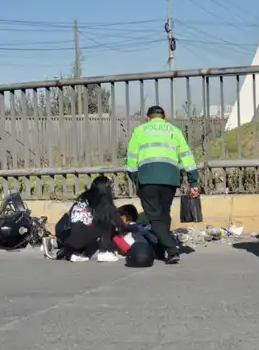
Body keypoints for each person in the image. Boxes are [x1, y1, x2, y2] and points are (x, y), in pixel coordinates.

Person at [126, 105, 198, 265]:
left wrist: (136, 178)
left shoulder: (140, 131)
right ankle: (161, 248)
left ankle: (172, 249)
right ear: (164, 118)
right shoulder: (174, 130)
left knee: (154, 217)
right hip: (170, 179)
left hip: (148, 178)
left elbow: (131, 159)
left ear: (147, 118)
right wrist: (193, 180)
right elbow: (187, 155)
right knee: (164, 214)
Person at [55, 175, 122, 262]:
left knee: (86, 224)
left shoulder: (83, 196)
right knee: (107, 221)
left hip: (68, 237)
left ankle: (72, 253)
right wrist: (133, 228)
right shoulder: (103, 200)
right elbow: (118, 223)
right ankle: (104, 252)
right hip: (81, 238)